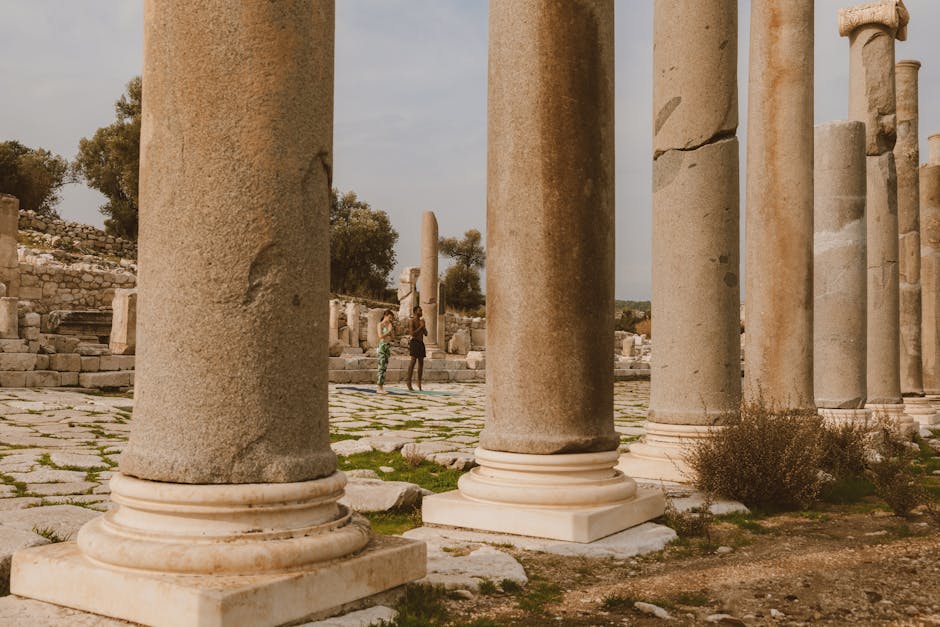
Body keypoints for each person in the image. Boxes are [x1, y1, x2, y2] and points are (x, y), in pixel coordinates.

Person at [407, 305, 427, 391]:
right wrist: (421, 327)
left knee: (421, 363)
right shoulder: (412, 321)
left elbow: (426, 334)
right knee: (413, 362)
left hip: (421, 343)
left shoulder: (421, 321)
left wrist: (424, 327)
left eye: (421, 311)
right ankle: (408, 382)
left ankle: (419, 382)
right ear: (415, 312)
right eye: (420, 311)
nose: (421, 312)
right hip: (414, 342)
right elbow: (412, 333)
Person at [376, 309, 395, 394]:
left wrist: (392, 330)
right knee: (381, 366)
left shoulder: (390, 325)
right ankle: (379, 387)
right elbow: (380, 336)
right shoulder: (380, 324)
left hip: (388, 346)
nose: (390, 319)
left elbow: (393, 338)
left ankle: (382, 386)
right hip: (382, 346)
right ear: (385, 316)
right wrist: (388, 331)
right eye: (390, 317)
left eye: (392, 318)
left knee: (385, 367)